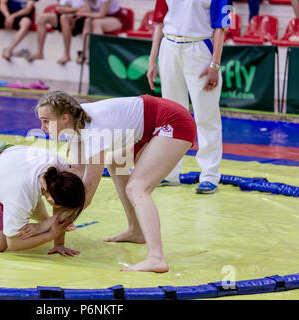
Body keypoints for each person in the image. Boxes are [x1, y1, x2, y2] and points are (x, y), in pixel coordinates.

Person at [34, 91, 197, 273]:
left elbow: (86, 194)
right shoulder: (76, 123)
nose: (42, 127)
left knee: (137, 188)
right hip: (151, 125)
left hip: (173, 121)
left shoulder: (93, 132)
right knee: (116, 161)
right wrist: (51, 174)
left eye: (46, 121)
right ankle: (136, 230)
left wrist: (49, 226)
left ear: (64, 118)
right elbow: (76, 175)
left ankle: (156, 258)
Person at [147, 0, 229, 194]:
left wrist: (215, 65)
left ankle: (209, 175)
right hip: (169, 46)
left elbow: (220, 28)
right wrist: (152, 59)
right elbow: (160, 22)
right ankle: (169, 173)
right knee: (171, 117)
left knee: (206, 115)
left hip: (199, 49)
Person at [27, 0, 85, 65]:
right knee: (43, 17)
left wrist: (71, 9)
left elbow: (87, 10)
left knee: (64, 18)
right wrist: (77, 9)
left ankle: (66, 55)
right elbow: (62, 10)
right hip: (69, 17)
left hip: (83, 19)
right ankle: (39, 53)